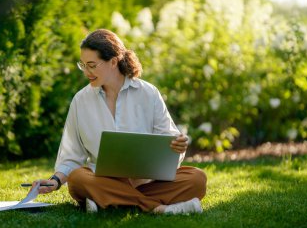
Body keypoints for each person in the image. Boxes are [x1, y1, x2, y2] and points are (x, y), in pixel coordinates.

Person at [32, 29, 207, 214]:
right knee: (77, 179)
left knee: (196, 178)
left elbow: (168, 142)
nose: (86, 72)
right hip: (103, 181)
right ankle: (158, 208)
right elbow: (72, 155)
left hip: (147, 183)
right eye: (82, 65)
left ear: (113, 61)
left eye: (91, 65)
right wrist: (56, 180)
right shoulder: (80, 100)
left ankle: (108, 201)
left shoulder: (149, 93)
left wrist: (177, 146)